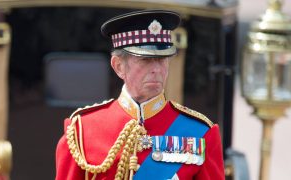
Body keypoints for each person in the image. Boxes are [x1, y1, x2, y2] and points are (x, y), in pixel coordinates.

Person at [55, 9, 224, 180]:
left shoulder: (200, 132)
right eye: (145, 60)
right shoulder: (82, 130)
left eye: (162, 59)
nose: (157, 70)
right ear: (119, 66)